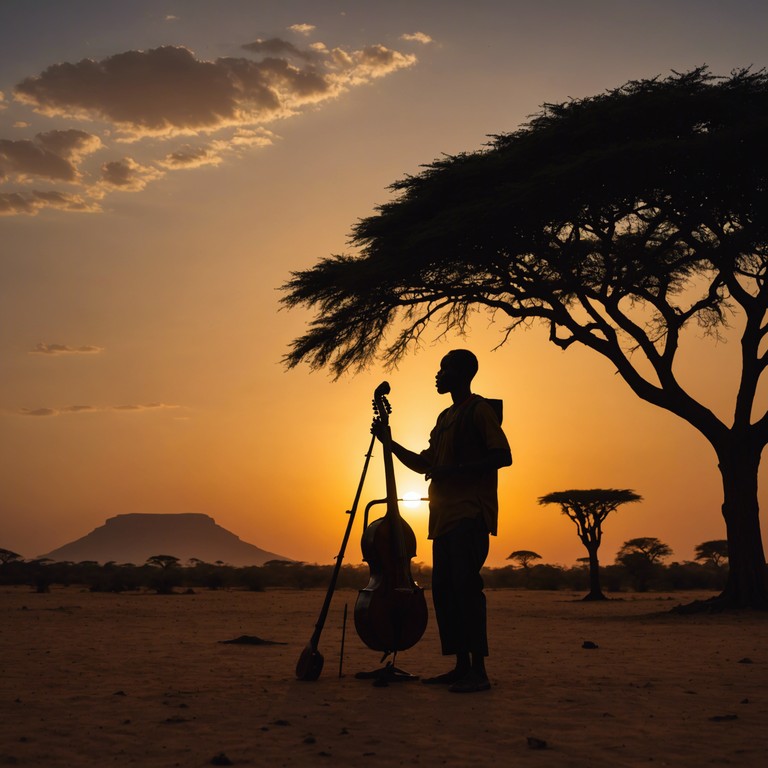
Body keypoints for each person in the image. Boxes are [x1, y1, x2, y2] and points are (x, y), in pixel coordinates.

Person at [372, 349, 512, 693]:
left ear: (462, 374)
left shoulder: (479, 411)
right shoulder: (445, 417)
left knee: (466, 590)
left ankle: (479, 672)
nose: (438, 375)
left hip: (470, 513)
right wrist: (389, 444)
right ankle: (461, 666)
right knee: (446, 593)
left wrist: (453, 470)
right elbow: (425, 464)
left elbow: (503, 456)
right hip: (444, 519)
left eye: (444, 369)